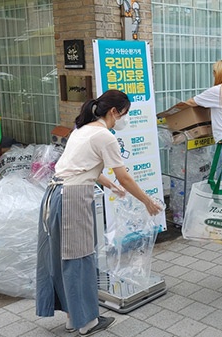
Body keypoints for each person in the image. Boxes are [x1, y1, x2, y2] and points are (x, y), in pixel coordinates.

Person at [36, 90, 162, 335]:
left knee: (61, 258)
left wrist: (107, 183)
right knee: (80, 258)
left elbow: (82, 166)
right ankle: (87, 322)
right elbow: (124, 176)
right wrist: (147, 201)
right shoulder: (105, 136)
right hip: (73, 198)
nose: (124, 119)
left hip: (53, 197)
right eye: (124, 114)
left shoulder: (81, 130)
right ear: (114, 112)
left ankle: (73, 317)